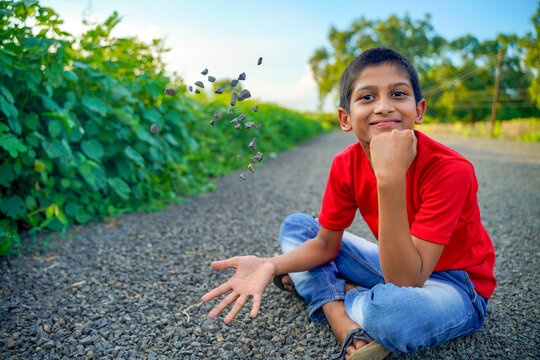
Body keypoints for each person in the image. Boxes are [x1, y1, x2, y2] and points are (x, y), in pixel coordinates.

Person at [201, 47, 496, 360]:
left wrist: (390, 178)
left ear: (419, 110)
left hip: (456, 285)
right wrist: (269, 263)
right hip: (396, 266)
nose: (383, 107)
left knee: (392, 315)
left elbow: (407, 284)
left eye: (398, 94)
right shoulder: (345, 163)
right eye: (367, 97)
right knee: (299, 226)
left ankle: (335, 296)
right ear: (345, 118)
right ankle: (337, 310)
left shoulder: (450, 169)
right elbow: (326, 245)